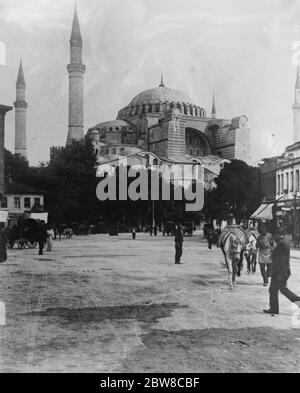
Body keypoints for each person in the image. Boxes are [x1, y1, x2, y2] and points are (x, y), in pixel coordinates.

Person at [264, 231, 300, 315]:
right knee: (282, 289)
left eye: (273, 235)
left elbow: (281, 261)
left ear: (278, 235)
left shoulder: (281, 245)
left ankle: (274, 309)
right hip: (281, 271)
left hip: (280, 272)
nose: (272, 237)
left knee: (275, 290)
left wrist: (279, 274)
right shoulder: (282, 243)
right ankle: (274, 309)